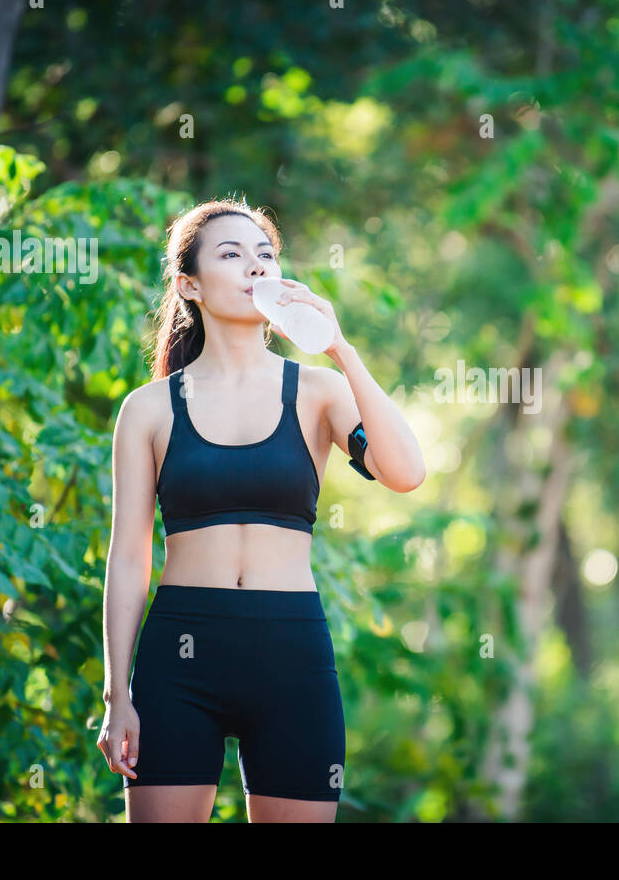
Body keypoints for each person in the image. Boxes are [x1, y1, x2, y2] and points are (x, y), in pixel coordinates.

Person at [95, 198, 425, 822]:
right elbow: (129, 558)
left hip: (291, 654)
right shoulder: (149, 409)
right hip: (180, 656)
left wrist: (341, 349)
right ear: (188, 284)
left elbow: (406, 472)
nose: (254, 266)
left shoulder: (319, 392)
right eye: (232, 253)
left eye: (265, 254)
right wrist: (118, 694)